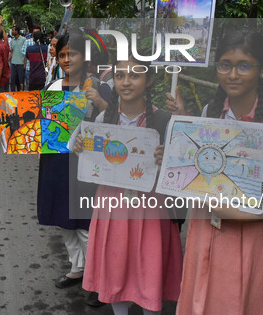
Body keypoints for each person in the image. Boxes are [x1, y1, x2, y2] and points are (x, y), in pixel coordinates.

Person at [168, 30, 263, 315]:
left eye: (244, 65)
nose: (232, 74)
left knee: (242, 304)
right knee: (200, 301)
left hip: (252, 236)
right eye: (225, 64)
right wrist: (174, 158)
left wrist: (250, 214)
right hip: (203, 229)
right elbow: (197, 170)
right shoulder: (210, 112)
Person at [0, 30, 105, 304]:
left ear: (83, 57)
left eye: (72, 54)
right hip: (56, 162)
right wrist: (0, 103)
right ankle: (77, 268)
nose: (66, 59)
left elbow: (114, 121)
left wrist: (100, 102)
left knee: (87, 225)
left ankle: (97, 278)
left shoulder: (98, 87)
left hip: (87, 166)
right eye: (63, 54)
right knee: (64, 220)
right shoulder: (52, 87)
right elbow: (34, 118)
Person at [74, 57, 183, 314]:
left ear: (149, 80)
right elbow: (93, 163)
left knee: (150, 272)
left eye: (134, 76)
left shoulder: (166, 121)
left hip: (152, 209)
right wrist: (82, 149)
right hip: (113, 208)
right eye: (120, 76)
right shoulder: (103, 119)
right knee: (116, 270)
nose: (126, 82)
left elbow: (180, 170)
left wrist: (168, 158)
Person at [9, 26, 26, 91]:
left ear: (17, 31)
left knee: (20, 82)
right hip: (13, 64)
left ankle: (20, 95)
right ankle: (13, 95)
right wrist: (8, 60)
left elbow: (25, 53)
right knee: (12, 81)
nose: (12, 32)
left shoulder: (23, 39)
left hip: (21, 64)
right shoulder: (12, 40)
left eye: (13, 30)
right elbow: (12, 52)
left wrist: (25, 64)